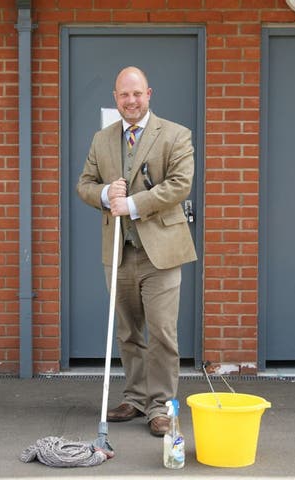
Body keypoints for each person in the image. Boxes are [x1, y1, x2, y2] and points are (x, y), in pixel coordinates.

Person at [77, 66, 197, 437]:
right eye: (123, 95)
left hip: (160, 251)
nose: (131, 101)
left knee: (162, 331)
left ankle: (160, 406)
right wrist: (102, 195)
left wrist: (131, 204)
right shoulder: (103, 139)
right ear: (115, 98)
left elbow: (179, 185)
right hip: (118, 251)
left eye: (137, 94)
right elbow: (85, 183)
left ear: (149, 94)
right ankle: (136, 396)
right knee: (128, 331)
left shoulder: (176, 135)